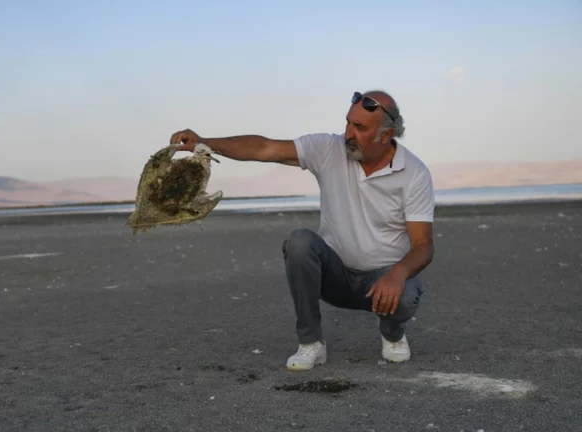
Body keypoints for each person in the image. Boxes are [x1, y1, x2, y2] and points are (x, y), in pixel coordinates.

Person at [169, 90, 435, 371]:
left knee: (406, 291)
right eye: (347, 123)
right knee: (300, 242)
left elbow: (423, 245)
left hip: (382, 285)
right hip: (334, 277)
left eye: (359, 127)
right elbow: (264, 148)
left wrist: (397, 274)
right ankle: (311, 344)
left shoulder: (414, 173)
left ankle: (392, 336)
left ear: (386, 134)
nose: (347, 134)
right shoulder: (329, 149)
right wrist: (203, 142)